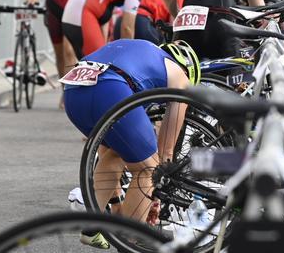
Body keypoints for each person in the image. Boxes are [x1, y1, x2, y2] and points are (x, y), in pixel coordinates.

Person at [60, 39, 200, 246]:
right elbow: (166, 152)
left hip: (74, 91)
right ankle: (129, 242)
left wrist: (117, 207)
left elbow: (105, 152)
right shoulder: (181, 78)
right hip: (111, 88)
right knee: (149, 169)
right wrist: (155, 191)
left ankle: (91, 227)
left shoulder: (143, 52)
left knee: (117, 153)